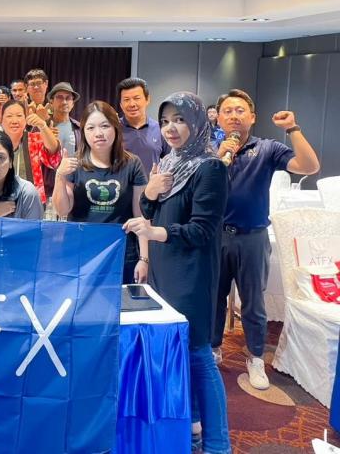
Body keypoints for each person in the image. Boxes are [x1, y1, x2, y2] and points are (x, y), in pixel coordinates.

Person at [123, 91, 230, 454]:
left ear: (197, 123)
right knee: (178, 354)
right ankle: (193, 432)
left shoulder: (210, 168)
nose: (171, 128)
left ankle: (218, 445)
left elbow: (202, 230)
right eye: (166, 120)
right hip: (163, 272)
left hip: (191, 275)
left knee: (199, 356)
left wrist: (155, 233)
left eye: (180, 119)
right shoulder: (170, 162)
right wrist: (150, 193)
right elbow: (151, 209)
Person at [211, 89, 319, 390]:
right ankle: (213, 347)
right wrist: (217, 159)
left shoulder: (268, 149)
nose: (234, 116)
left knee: (253, 303)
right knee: (213, 299)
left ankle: (256, 357)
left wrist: (293, 129)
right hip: (216, 237)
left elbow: (309, 167)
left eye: (240, 110)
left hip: (253, 238)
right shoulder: (209, 150)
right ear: (218, 118)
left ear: (253, 117)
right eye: (228, 111)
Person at [53, 101, 148, 284]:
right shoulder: (74, 163)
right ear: (83, 132)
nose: (98, 133)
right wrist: (60, 176)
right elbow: (63, 210)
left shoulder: (132, 164)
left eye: (105, 126)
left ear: (115, 128)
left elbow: (141, 215)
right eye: (91, 128)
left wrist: (144, 259)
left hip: (121, 252)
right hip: (81, 253)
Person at [0, 99, 61, 204]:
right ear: (2, 120)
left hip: (31, 203)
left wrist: (43, 126)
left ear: (25, 119)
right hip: (1, 203)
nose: (14, 120)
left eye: (19, 116)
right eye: (9, 116)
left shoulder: (35, 139)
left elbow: (54, 155)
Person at [117, 77, 167, 175]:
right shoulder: (113, 129)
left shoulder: (160, 129)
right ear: (121, 104)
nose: (132, 104)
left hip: (152, 184)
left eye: (137, 98)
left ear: (147, 99)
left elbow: (171, 160)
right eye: (126, 100)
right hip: (120, 184)